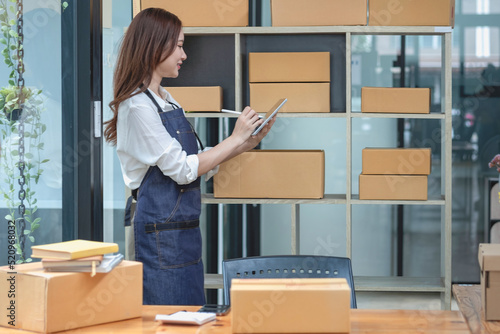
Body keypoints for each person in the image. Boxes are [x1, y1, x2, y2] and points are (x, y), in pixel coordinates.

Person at [103, 8, 275, 305]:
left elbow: (199, 162)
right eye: (179, 45)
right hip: (158, 235)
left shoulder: (166, 100)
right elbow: (183, 170)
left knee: (191, 314)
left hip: (184, 232)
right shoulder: (137, 107)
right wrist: (233, 138)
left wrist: (245, 143)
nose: (184, 55)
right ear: (155, 45)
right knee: (168, 320)